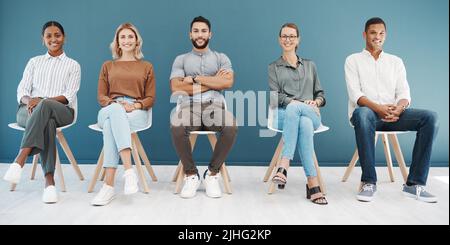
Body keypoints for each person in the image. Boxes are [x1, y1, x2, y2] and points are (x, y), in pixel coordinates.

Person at [345, 17, 439, 203]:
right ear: (365, 34)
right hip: (368, 115)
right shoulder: (353, 60)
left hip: (394, 115)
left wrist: (399, 108)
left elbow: (404, 92)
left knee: (430, 117)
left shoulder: (395, 61)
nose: (377, 37)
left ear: (385, 35)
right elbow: (356, 95)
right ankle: (369, 182)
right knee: (362, 113)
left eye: (381, 33)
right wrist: (378, 109)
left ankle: (414, 185)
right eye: (373, 32)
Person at [3, 21, 80, 204]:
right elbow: (21, 91)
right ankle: (49, 182)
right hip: (28, 110)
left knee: (45, 107)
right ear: (43, 40)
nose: (54, 39)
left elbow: (68, 96)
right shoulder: (34, 62)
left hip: (63, 110)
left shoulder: (73, 65)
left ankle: (20, 158)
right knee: (48, 121)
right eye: (49, 36)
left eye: (57, 35)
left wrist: (42, 101)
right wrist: (31, 101)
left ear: (64, 37)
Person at [169, 16, 238, 199]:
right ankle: (191, 175)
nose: (200, 35)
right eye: (196, 31)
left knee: (231, 126)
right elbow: (176, 87)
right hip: (188, 107)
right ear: (190, 34)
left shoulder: (221, 58)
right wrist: (214, 81)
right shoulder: (181, 59)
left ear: (210, 34)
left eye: (204, 31)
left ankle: (212, 174)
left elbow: (228, 82)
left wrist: (195, 79)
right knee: (177, 125)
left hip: (214, 107)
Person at [91, 23, 156, 206]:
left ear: (137, 41)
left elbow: (150, 98)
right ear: (117, 42)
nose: (127, 40)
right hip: (110, 108)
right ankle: (129, 170)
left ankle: (108, 186)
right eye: (123, 37)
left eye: (130, 37)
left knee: (112, 125)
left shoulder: (146, 66)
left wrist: (135, 105)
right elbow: (101, 96)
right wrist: (115, 104)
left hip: (136, 112)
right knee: (114, 114)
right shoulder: (107, 65)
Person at [269, 23, 328, 205]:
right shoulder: (274, 67)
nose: (288, 39)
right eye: (284, 36)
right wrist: (296, 103)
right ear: (280, 40)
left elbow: (321, 95)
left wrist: (315, 102)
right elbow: (274, 98)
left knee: (299, 112)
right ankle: (312, 183)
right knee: (303, 122)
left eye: (292, 36)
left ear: (298, 40)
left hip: (312, 113)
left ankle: (284, 165)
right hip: (284, 116)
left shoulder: (310, 65)